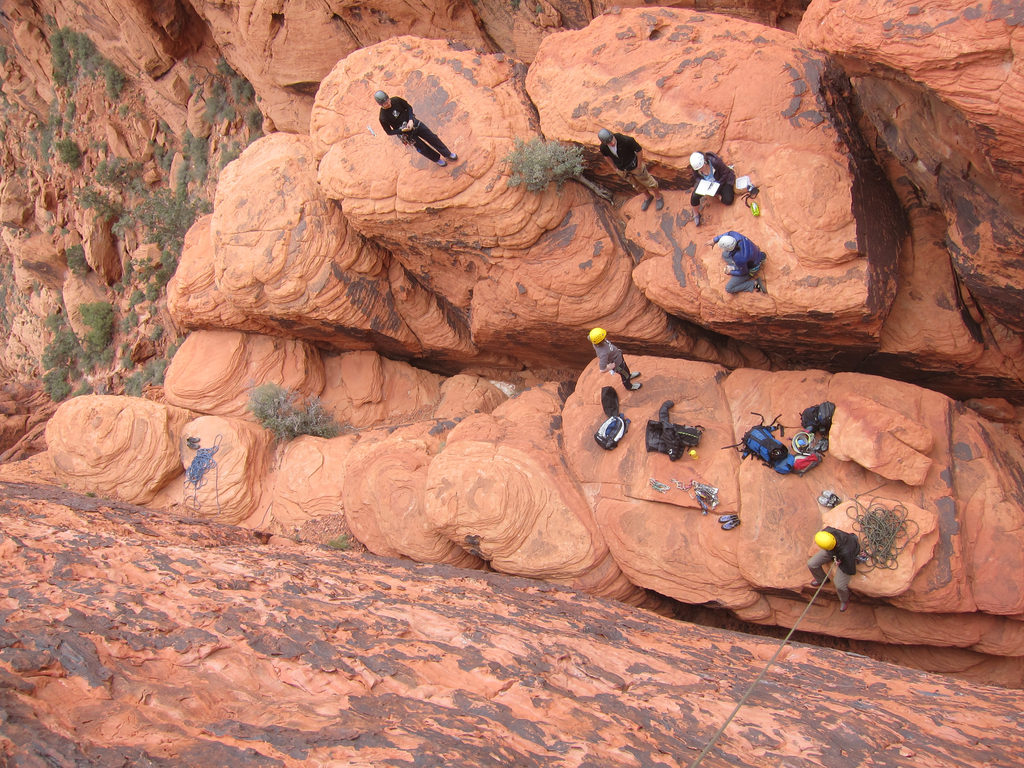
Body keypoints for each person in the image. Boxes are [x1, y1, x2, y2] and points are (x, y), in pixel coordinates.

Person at [375, 90, 458, 168]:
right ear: (381, 105)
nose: (388, 103)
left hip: (414, 123)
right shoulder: (383, 117)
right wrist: (401, 131)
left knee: (432, 137)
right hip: (406, 134)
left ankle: (447, 154)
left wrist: (411, 120)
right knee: (422, 148)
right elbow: (389, 132)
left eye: (388, 100)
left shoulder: (396, 100)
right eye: (385, 103)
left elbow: (408, 107)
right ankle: (437, 159)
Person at [598, 129, 664, 212]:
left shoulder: (625, 140)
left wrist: (639, 165)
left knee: (648, 181)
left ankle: (658, 197)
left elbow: (639, 150)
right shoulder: (604, 147)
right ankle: (648, 197)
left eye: (612, 140)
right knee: (636, 185)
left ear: (612, 135)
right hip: (623, 170)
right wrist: (614, 168)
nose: (612, 143)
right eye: (609, 143)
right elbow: (606, 156)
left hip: (635, 166)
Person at [807, 527, 861, 611]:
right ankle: (822, 579)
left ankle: (844, 600)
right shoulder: (827, 533)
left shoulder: (846, 553)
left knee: (839, 585)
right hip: (833, 550)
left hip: (844, 554)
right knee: (811, 564)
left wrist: (840, 561)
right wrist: (833, 555)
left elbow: (850, 570)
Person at [688, 150, 735, 226]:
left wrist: (717, 185)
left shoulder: (715, 162)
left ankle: (717, 195)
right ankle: (696, 213)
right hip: (707, 183)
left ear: (704, 162)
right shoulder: (695, 168)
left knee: (728, 200)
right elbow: (696, 177)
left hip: (720, 181)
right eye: (698, 169)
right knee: (694, 197)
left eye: (701, 167)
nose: (700, 170)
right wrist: (703, 183)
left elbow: (725, 173)